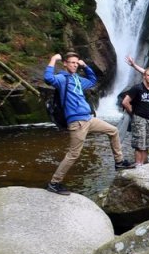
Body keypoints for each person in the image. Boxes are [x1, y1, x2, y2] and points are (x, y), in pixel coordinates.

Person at [44, 52, 133, 195]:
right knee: (74, 154)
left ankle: (119, 162)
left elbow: (92, 81)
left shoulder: (78, 79)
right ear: (65, 64)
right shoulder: (62, 78)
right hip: (77, 122)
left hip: (89, 119)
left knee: (113, 131)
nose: (74, 65)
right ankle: (54, 183)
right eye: (71, 62)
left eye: (75, 62)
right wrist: (53, 59)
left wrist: (85, 66)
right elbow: (47, 78)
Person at [122, 67, 149, 167]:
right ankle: (138, 164)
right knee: (139, 144)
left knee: (147, 144)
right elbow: (125, 102)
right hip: (139, 119)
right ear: (144, 76)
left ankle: (144, 165)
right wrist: (133, 113)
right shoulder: (137, 88)